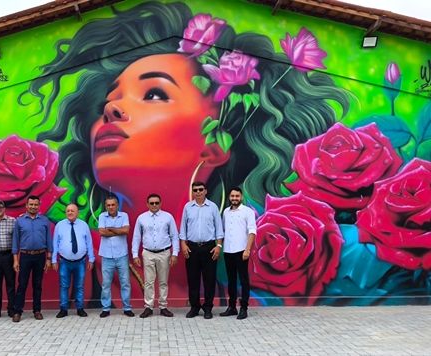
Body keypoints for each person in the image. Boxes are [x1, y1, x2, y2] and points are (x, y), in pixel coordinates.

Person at [22, 1, 349, 304]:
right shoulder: (77, 259)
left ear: (214, 147)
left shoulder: (228, 227)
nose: (111, 110)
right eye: (108, 100)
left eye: (153, 93)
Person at [179, 182, 223, 319]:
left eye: (200, 189)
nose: (198, 192)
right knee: (193, 279)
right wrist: (183, 245)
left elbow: (219, 229)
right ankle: (194, 307)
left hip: (209, 247)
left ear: (205, 191)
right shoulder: (188, 207)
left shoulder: (213, 207)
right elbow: (183, 229)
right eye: (195, 190)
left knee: (209, 280)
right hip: (191, 248)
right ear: (192, 192)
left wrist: (218, 246)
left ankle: (208, 308)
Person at [132, 193, 179, 318]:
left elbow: (174, 236)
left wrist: (175, 253)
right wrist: (135, 254)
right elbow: (136, 237)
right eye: (151, 203)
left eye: (156, 203)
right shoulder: (141, 218)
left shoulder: (168, 217)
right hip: (147, 253)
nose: (154, 205)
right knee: (148, 282)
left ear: (160, 203)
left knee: (163, 282)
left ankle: (163, 307)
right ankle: (148, 307)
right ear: (147, 204)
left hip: (164, 253)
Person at [11, 195, 52, 322]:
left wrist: (49, 258)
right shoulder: (20, 221)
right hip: (25, 256)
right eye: (31, 204)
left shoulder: (44, 220)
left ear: (39, 206)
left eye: (36, 204)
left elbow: (49, 240)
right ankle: (17, 311)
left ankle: (37, 310)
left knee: (37, 285)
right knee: (22, 285)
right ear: (27, 206)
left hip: (40, 256)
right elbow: (15, 241)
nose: (33, 207)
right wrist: (15, 260)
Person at [52, 203, 95, 318]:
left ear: (77, 213)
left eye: (72, 211)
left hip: (80, 262)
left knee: (79, 286)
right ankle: (63, 309)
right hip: (64, 262)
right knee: (64, 286)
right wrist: (53, 260)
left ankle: (80, 308)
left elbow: (89, 243)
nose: (70, 212)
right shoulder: (59, 226)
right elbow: (55, 243)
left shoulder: (84, 225)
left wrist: (91, 258)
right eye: (68, 211)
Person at [221, 187, 256, 320]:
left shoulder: (247, 212)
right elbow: (224, 230)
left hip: (241, 251)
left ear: (241, 197)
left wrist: (247, 249)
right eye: (232, 196)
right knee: (231, 280)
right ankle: (232, 307)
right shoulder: (226, 212)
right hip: (228, 250)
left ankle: (244, 308)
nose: (234, 198)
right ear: (229, 197)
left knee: (243, 280)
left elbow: (252, 231)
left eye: (237, 196)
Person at [98, 195, 134, 317]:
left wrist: (111, 229)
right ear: (105, 206)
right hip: (106, 255)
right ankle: (106, 309)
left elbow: (126, 231)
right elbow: (102, 232)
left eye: (113, 204)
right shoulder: (102, 216)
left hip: (121, 255)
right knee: (106, 283)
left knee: (125, 282)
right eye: (108, 205)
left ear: (117, 205)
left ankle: (127, 308)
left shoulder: (124, 216)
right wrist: (118, 230)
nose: (111, 207)